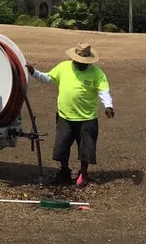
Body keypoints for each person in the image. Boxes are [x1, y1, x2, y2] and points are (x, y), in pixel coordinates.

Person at [26, 42, 114, 187]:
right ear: (73, 59)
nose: (81, 64)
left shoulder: (97, 73)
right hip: (65, 116)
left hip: (87, 118)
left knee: (86, 148)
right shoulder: (63, 67)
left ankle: (83, 173)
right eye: (79, 61)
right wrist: (34, 72)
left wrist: (108, 106)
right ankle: (64, 171)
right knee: (62, 145)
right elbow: (49, 78)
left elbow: (103, 91)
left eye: (84, 62)